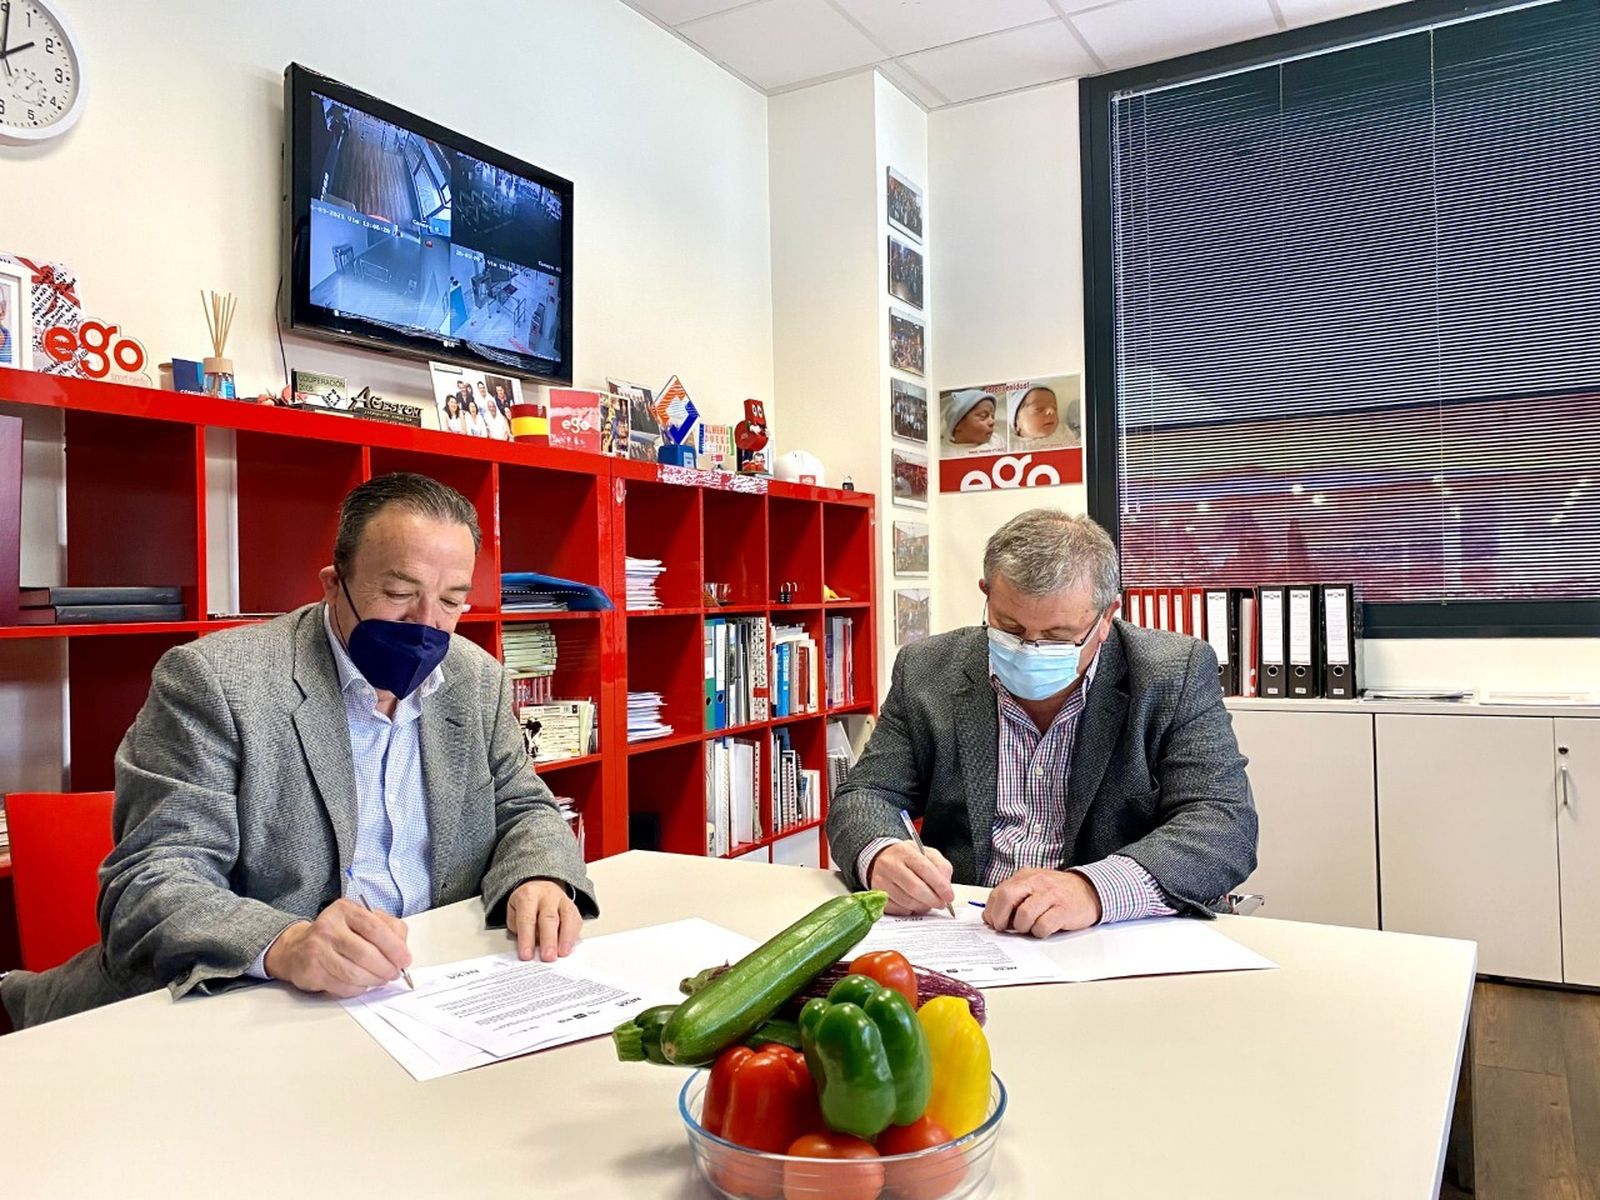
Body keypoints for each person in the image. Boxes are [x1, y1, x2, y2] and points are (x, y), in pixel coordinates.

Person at [1, 473, 596, 1030]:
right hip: (249, 1009)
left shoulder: (476, 679)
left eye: (451, 600)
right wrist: (286, 944)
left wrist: (539, 873)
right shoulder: (214, 681)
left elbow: (525, 806)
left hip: (426, 997)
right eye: (398, 592)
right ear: (333, 584)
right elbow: (151, 883)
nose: (426, 623)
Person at [827, 509, 1256, 938]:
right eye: (1010, 628)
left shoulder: (1172, 673)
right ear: (987, 594)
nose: (1029, 649)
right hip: (968, 927)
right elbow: (866, 795)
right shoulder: (927, 669)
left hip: (1111, 936)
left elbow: (1223, 824)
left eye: (1057, 636)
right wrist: (880, 853)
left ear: (1107, 617)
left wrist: (1092, 889)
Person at [940, 388, 1005, 455]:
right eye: (983, 416)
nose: (992, 422)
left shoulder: (996, 441)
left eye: (993, 416)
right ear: (958, 425)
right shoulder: (943, 452)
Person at [1008, 385, 1074, 448]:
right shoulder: (1011, 444)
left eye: (1055, 408)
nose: (1051, 411)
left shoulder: (1063, 431)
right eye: (1038, 408)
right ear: (1017, 423)